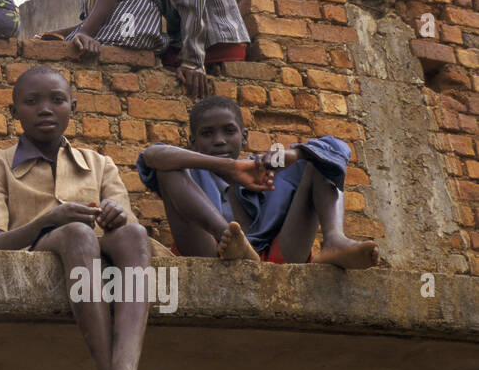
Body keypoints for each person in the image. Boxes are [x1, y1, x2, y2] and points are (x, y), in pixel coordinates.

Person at [0, 65, 171, 370]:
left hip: (96, 254)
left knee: (135, 235)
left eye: (57, 100)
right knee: (76, 231)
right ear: (15, 111)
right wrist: (49, 221)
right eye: (32, 102)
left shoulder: (100, 164)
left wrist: (115, 216)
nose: (45, 109)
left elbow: (125, 224)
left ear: (73, 106)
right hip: (38, 251)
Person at [136, 96, 379, 267]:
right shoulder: (190, 170)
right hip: (209, 253)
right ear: (193, 142)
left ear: (244, 137)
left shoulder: (265, 167)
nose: (219, 140)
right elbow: (151, 155)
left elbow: (338, 149)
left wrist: (297, 155)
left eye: (228, 131)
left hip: (278, 256)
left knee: (321, 160)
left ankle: (334, 240)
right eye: (207, 133)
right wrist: (229, 168)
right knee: (165, 168)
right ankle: (228, 238)